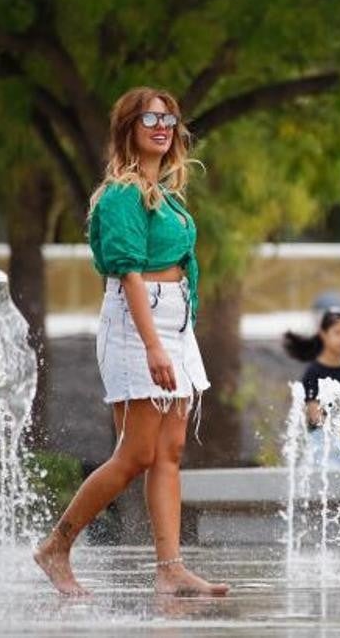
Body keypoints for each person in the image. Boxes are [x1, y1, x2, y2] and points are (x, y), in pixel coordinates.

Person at [33, 87, 228, 597]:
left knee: (170, 451)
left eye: (169, 118)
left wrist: (176, 338)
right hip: (137, 323)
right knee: (137, 452)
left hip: (175, 322)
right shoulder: (121, 194)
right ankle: (56, 546)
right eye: (150, 118)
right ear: (129, 129)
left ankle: (170, 568)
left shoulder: (165, 195)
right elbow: (128, 275)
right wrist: (153, 347)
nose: (162, 126)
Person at [283, 307, 340, 467]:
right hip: (322, 445)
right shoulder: (314, 372)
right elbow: (315, 416)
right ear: (323, 334)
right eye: (337, 333)